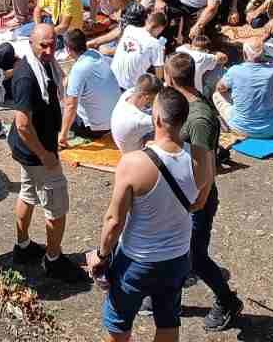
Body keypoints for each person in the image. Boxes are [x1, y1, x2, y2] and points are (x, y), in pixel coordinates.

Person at [89, 88, 207, 342]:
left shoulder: (133, 163)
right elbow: (198, 203)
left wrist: (101, 255)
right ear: (183, 119)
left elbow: (114, 221)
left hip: (137, 259)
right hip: (177, 256)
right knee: (167, 320)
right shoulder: (201, 156)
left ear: (157, 120)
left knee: (118, 323)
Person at [164, 52, 244, 330]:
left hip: (197, 198)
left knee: (197, 256)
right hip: (182, 195)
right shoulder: (186, 103)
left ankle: (227, 300)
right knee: (179, 250)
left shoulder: (198, 118)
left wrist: (197, 202)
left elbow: (206, 167)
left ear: (171, 78)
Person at [7, 23, 87, 282]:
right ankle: (53, 260)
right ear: (31, 42)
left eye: (53, 44)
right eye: (43, 44)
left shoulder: (45, 66)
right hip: (37, 153)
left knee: (28, 193)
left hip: (28, 150)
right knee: (56, 207)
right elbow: (22, 123)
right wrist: (44, 154)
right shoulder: (26, 76)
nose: (49, 49)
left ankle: (22, 246)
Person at [213, 37, 273, 140]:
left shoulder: (234, 71)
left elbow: (220, 88)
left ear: (244, 54)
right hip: (271, 130)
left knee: (216, 95)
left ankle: (227, 122)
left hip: (240, 127)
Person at [60, 28, 120, 141]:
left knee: (56, 108)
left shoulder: (79, 69)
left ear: (68, 49)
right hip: (113, 121)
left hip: (95, 128)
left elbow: (71, 106)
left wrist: (62, 136)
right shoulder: (96, 54)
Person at [111, 10, 169, 90]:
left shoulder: (129, 28)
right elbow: (159, 75)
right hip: (129, 88)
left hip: (111, 78)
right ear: (160, 28)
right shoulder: (156, 44)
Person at [112, 74, 161, 152]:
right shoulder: (139, 120)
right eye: (154, 99)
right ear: (146, 97)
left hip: (127, 140)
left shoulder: (127, 94)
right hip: (136, 154)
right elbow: (166, 122)